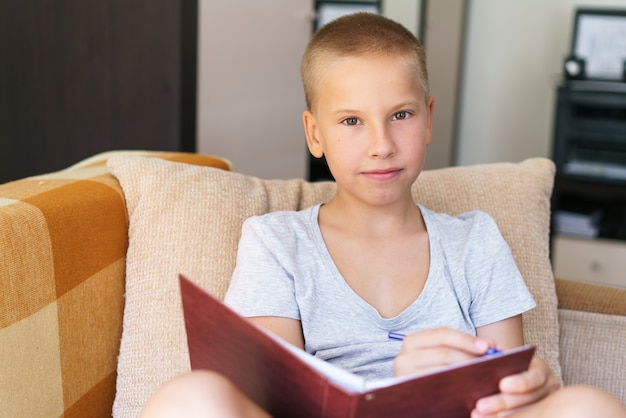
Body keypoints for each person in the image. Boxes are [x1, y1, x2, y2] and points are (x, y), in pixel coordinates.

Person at [142, 13, 626, 418]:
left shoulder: (475, 241)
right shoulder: (276, 241)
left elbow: (504, 388)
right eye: (352, 121)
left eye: (401, 115)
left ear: (429, 118)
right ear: (314, 134)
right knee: (191, 396)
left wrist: (528, 385)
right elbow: (273, 396)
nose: (381, 145)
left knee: (590, 405)